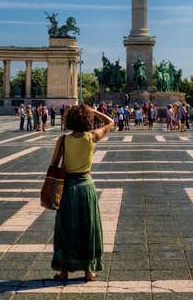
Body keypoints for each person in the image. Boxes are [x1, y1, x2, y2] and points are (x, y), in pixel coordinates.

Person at [50, 105, 114, 282]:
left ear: (69, 120)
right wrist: (95, 112)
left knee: (64, 228)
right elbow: (110, 122)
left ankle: (63, 271)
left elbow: (54, 164)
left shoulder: (62, 140)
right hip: (86, 186)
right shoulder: (92, 137)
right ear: (87, 120)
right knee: (89, 228)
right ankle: (89, 271)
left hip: (67, 187)